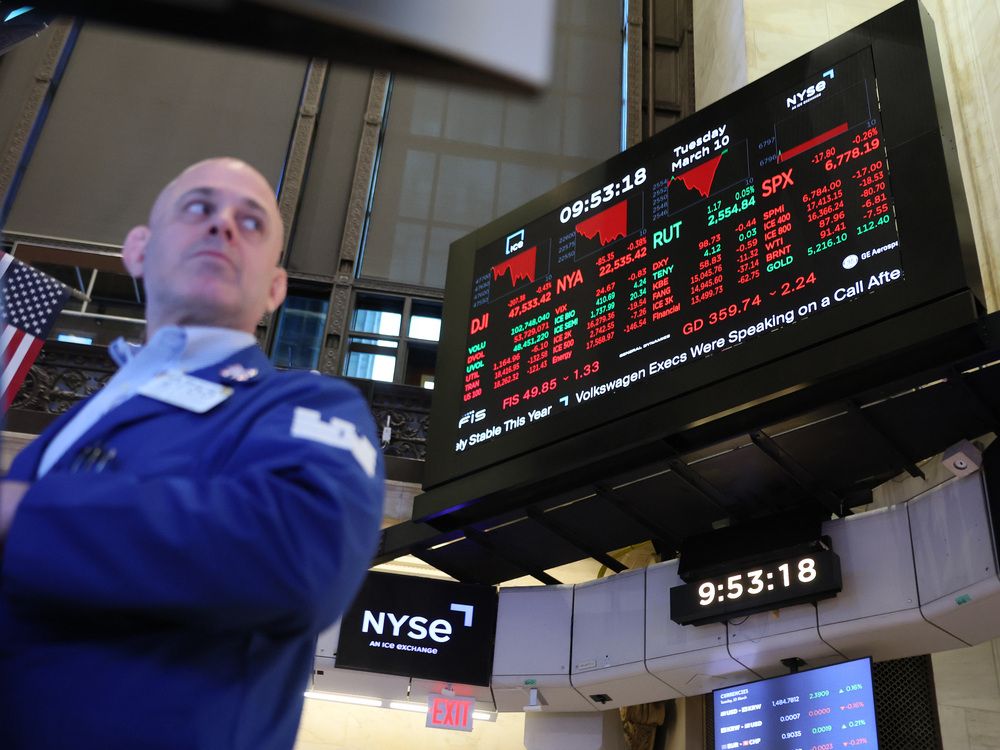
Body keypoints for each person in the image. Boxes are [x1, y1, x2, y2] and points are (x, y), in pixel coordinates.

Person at [0, 158, 385, 749]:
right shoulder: (79, 423)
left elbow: (297, 553)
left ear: (275, 288)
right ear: (138, 251)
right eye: (199, 207)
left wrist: (25, 513)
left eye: (251, 223)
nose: (222, 224)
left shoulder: (309, 405)